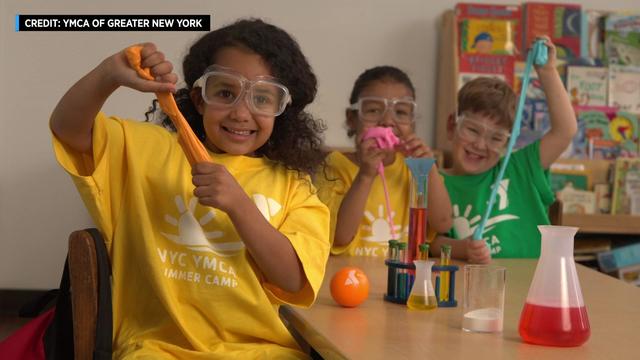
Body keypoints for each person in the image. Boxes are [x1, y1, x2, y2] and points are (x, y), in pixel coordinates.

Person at [50, 19, 330, 358]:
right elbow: (67, 129)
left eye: (262, 98)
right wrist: (108, 73)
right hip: (157, 349)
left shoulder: (295, 187)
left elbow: (293, 279)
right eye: (225, 93)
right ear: (199, 99)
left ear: (281, 109)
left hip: (262, 351)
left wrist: (240, 206)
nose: (241, 112)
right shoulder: (147, 151)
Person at [433, 37, 577, 264]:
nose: (480, 145)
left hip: (533, 286)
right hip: (474, 290)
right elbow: (430, 242)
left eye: (496, 137)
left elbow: (565, 130)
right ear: (452, 125)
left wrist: (547, 70)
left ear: (508, 143)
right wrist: (463, 249)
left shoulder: (521, 168)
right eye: (472, 130)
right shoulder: (434, 182)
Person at [315, 66, 452, 258]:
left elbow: (443, 223)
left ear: (412, 122)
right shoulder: (333, 167)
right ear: (352, 118)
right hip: (351, 280)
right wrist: (365, 175)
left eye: (401, 112)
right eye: (373, 110)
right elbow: (339, 237)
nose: (387, 121)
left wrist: (428, 169)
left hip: (402, 279)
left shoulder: (413, 168)